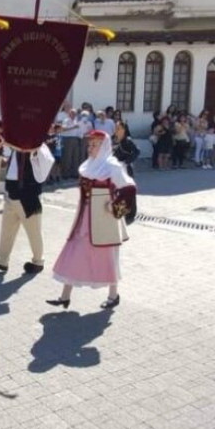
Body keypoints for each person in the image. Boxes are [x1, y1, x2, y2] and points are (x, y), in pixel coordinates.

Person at [46, 130, 136, 310]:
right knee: (74, 252)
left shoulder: (112, 166)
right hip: (84, 216)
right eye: (89, 144)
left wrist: (114, 206)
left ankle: (113, 295)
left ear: (104, 146)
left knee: (108, 256)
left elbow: (129, 188)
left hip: (105, 219)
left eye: (95, 144)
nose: (90, 147)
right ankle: (65, 297)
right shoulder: (88, 165)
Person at [0, 140, 55, 274]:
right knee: (7, 230)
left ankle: (38, 261)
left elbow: (45, 159)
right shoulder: (14, 145)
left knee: (33, 231)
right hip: (11, 193)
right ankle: (2, 261)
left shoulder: (38, 144)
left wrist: (27, 148)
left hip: (28, 196)